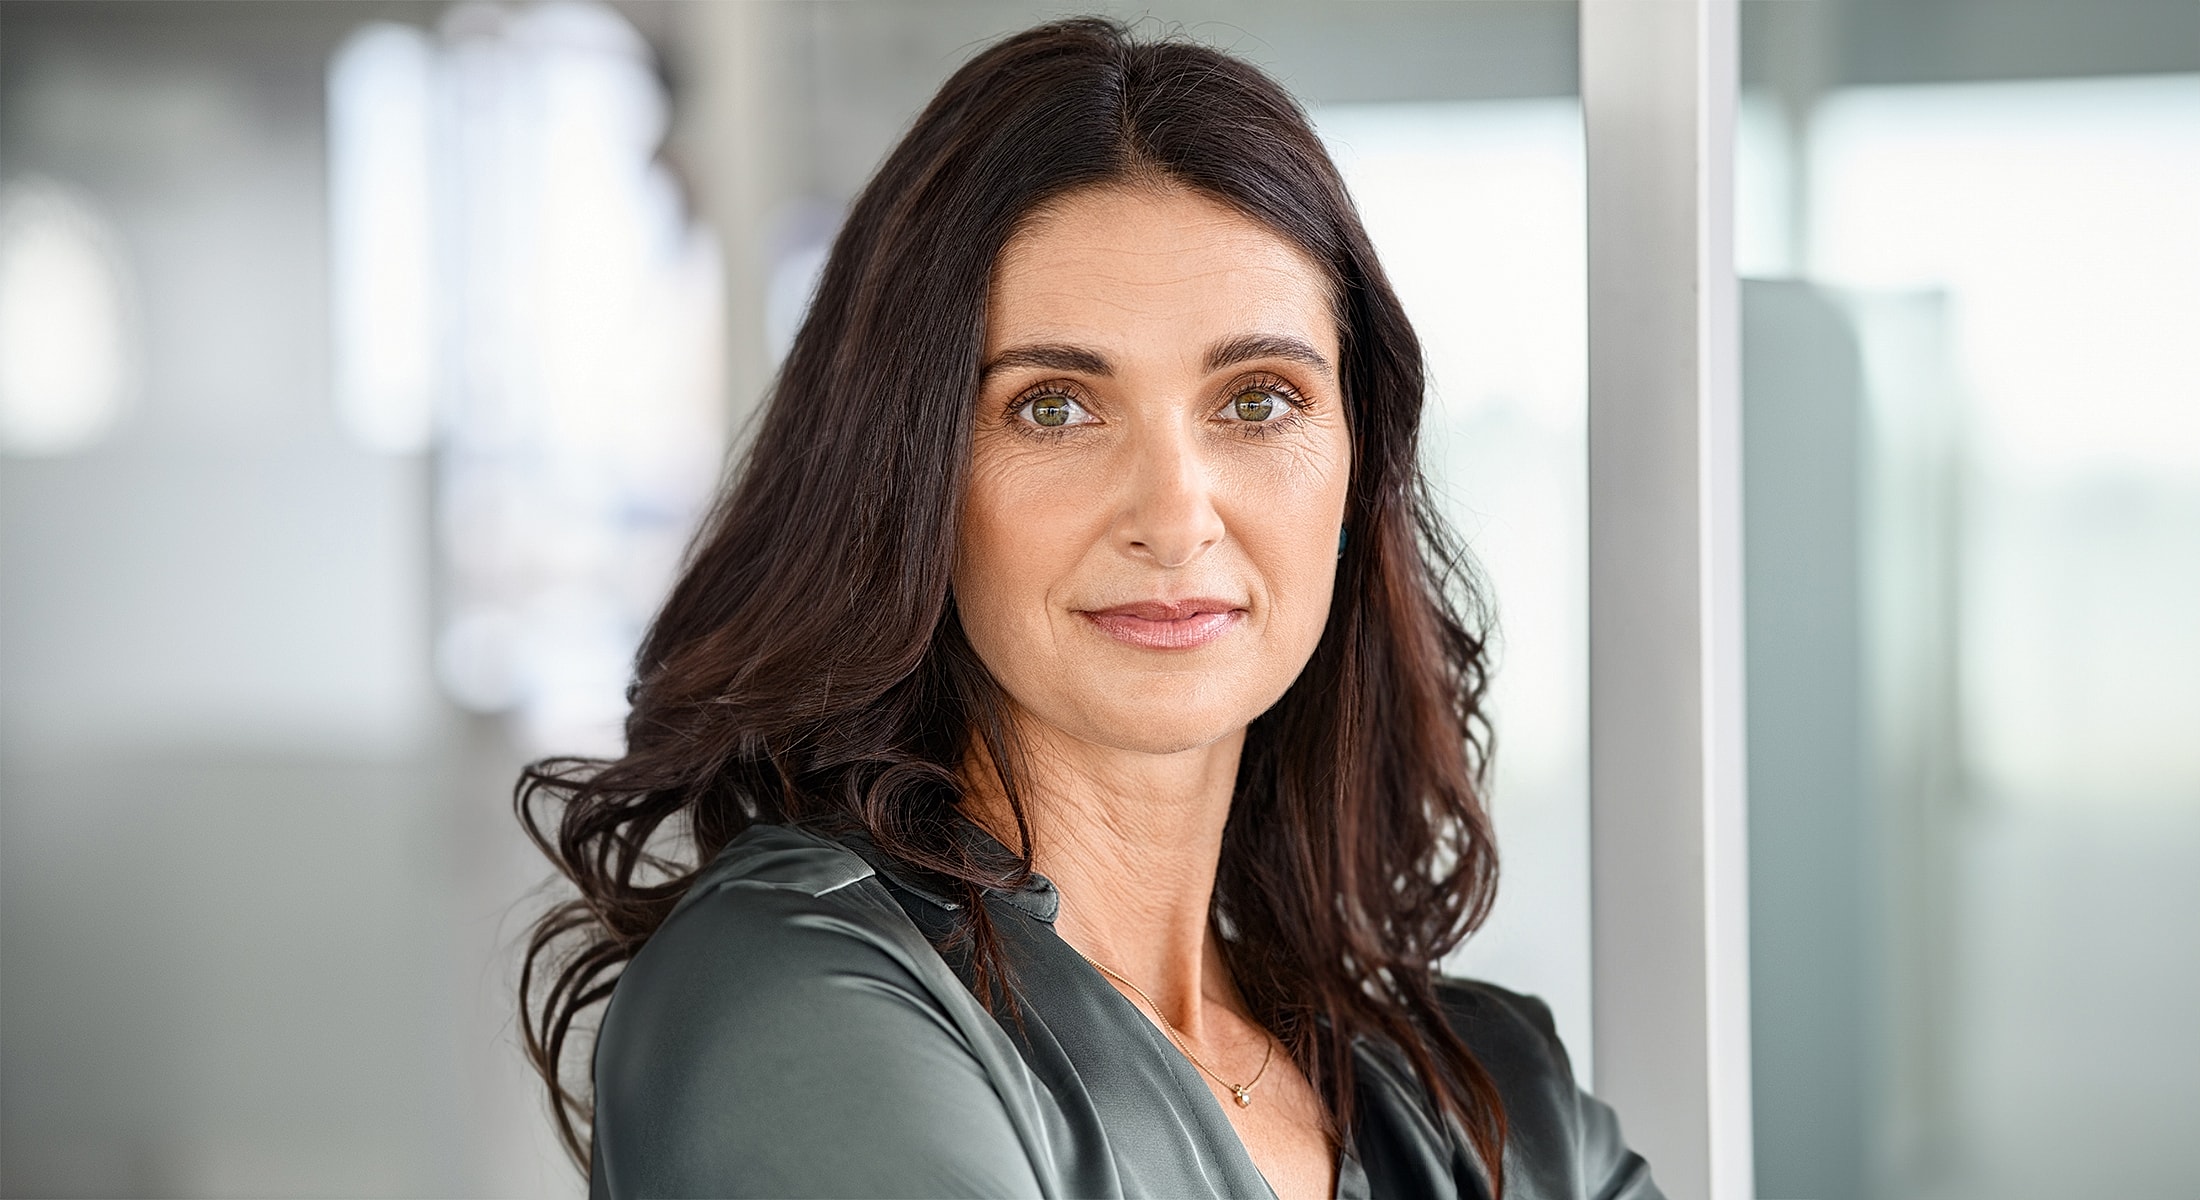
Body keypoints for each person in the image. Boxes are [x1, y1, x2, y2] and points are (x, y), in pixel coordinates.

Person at [518, 17, 1658, 1200]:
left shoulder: (1492, 1099)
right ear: (908, 480)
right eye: (1054, 406)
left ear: (1357, 468)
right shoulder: (793, 1000)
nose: (1174, 515)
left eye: (1257, 401)